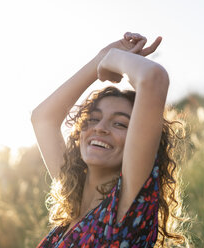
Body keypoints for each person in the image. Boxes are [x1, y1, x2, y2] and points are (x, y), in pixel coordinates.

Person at [32, 32, 186, 247]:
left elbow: (153, 78)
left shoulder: (126, 204)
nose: (100, 128)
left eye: (120, 124)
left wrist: (111, 58)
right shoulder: (73, 199)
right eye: (93, 119)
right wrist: (99, 60)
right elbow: (43, 119)